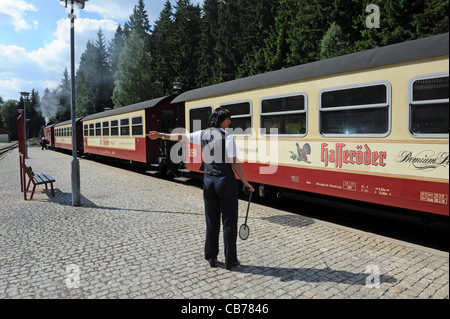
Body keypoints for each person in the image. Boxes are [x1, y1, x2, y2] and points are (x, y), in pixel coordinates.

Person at [146, 107, 254, 270]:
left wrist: (160, 135)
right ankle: (230, 261)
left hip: (208, 181)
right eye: (227, 119)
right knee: (229, 221)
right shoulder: (227, 137)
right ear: (220, 120)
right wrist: (245, 182)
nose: (230, 122)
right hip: (224, 181)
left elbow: (181, 136)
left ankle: (211, 256)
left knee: (211, 221)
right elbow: (234, 162)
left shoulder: (203, 133)